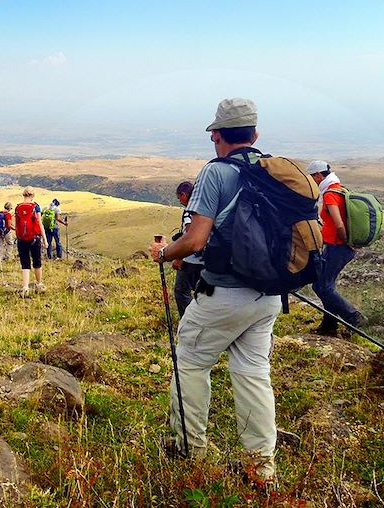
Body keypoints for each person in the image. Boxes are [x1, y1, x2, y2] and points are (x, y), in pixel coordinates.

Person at [149, 98, 280, 484]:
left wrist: (163, 253)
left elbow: (194, 240)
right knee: (254, 372)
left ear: (217, 136)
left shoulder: (216, 173)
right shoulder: (274, 169)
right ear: (255, 135)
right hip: (269, 294)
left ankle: (190, 450)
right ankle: (262, 465)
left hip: (224, 291)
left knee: (190, 360)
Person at [307, 160, 366, 335]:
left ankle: (354, 316)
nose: (312, 180)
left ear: (318, 175)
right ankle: (329, 325)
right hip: (338, 247)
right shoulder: (340, 188)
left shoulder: (330, 194)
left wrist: (347, 242)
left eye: (312, 177)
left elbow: (339, 224)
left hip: (339, 247)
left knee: (321, 286)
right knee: (326, 284)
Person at [172, 181, 204, 317]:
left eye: (179, 197)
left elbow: (191, 236)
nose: (179, 201)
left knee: (181, 291)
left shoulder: (189, 212)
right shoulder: (205, 208)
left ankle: (189, 320)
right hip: (206, 260)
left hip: (190, 260)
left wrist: (179, 257)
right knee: (203, 294)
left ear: (184, 195)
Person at [15, 187, 48, 296]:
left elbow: (17, 224)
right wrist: (45, 239)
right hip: (35, 238)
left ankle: (25, 287)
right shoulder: (35, 207)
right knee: (37, 262)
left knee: (25, 263)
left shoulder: (18, 207)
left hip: (21, 239)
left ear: (24, 195)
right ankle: (39, 284)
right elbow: (39, 223)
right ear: (32, 195)